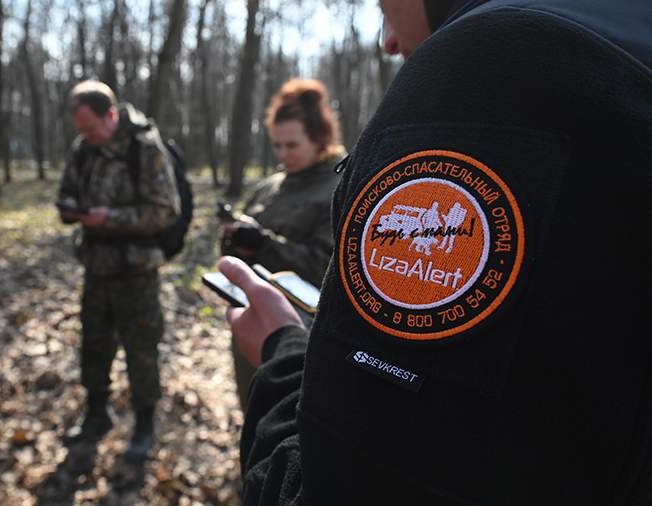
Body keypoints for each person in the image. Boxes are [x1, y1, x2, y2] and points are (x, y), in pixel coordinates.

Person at [226, 0, 652, 504]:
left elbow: (353, 483)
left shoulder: (490, 62)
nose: (385, 39)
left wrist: (282, 354)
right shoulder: (625, 38)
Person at [57, 80, 180, 462]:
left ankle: (144, 425)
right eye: (81, 130)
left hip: (137, 271)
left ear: (110, 115)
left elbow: (165, 210)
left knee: (141, 350)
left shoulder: (143, 149)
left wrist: (110, 217)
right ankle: (97, 414)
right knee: (93, 346)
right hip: (96, 267)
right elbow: (66, 193)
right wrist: (72, 210)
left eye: (92, 128)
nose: (87, 137)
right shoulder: (83, 150)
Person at [220, 78, 343, 410]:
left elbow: (327, 266)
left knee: (289, 417)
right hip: (252, 320)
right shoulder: (270, 186)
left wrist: (264, 245)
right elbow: (238, 249)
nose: (282, 154)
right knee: (252, 409)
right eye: (277, 145)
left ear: (319, 139)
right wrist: (236, 236)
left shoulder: (339, 187)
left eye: (292, 145)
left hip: (301, 334)